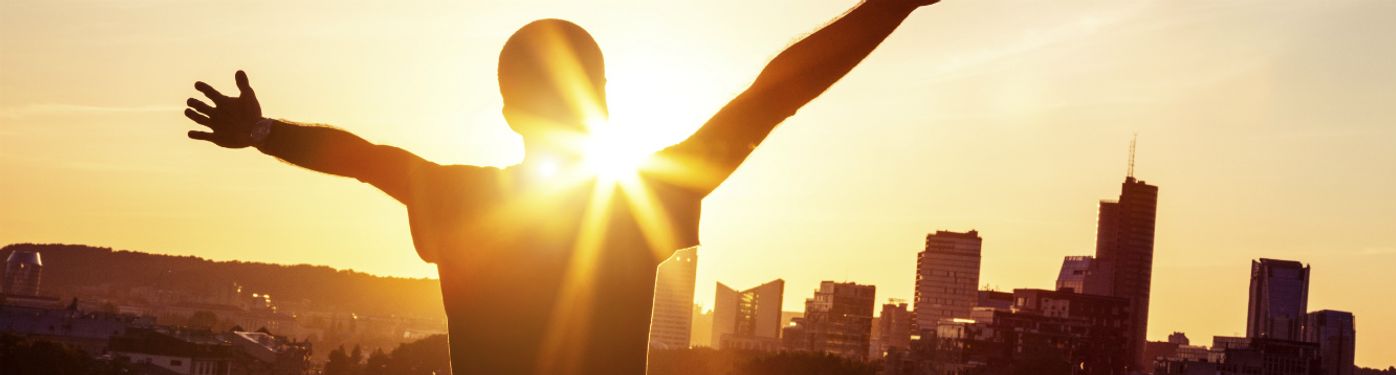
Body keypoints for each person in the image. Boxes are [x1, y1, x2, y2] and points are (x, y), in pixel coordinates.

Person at [181, 0, 940, 373]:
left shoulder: (457, 197)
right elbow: (773, 96)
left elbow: (363, 156)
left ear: (508, 112)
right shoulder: (642, 202)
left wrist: (263, 133)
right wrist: (891, 6)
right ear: (604, 100)